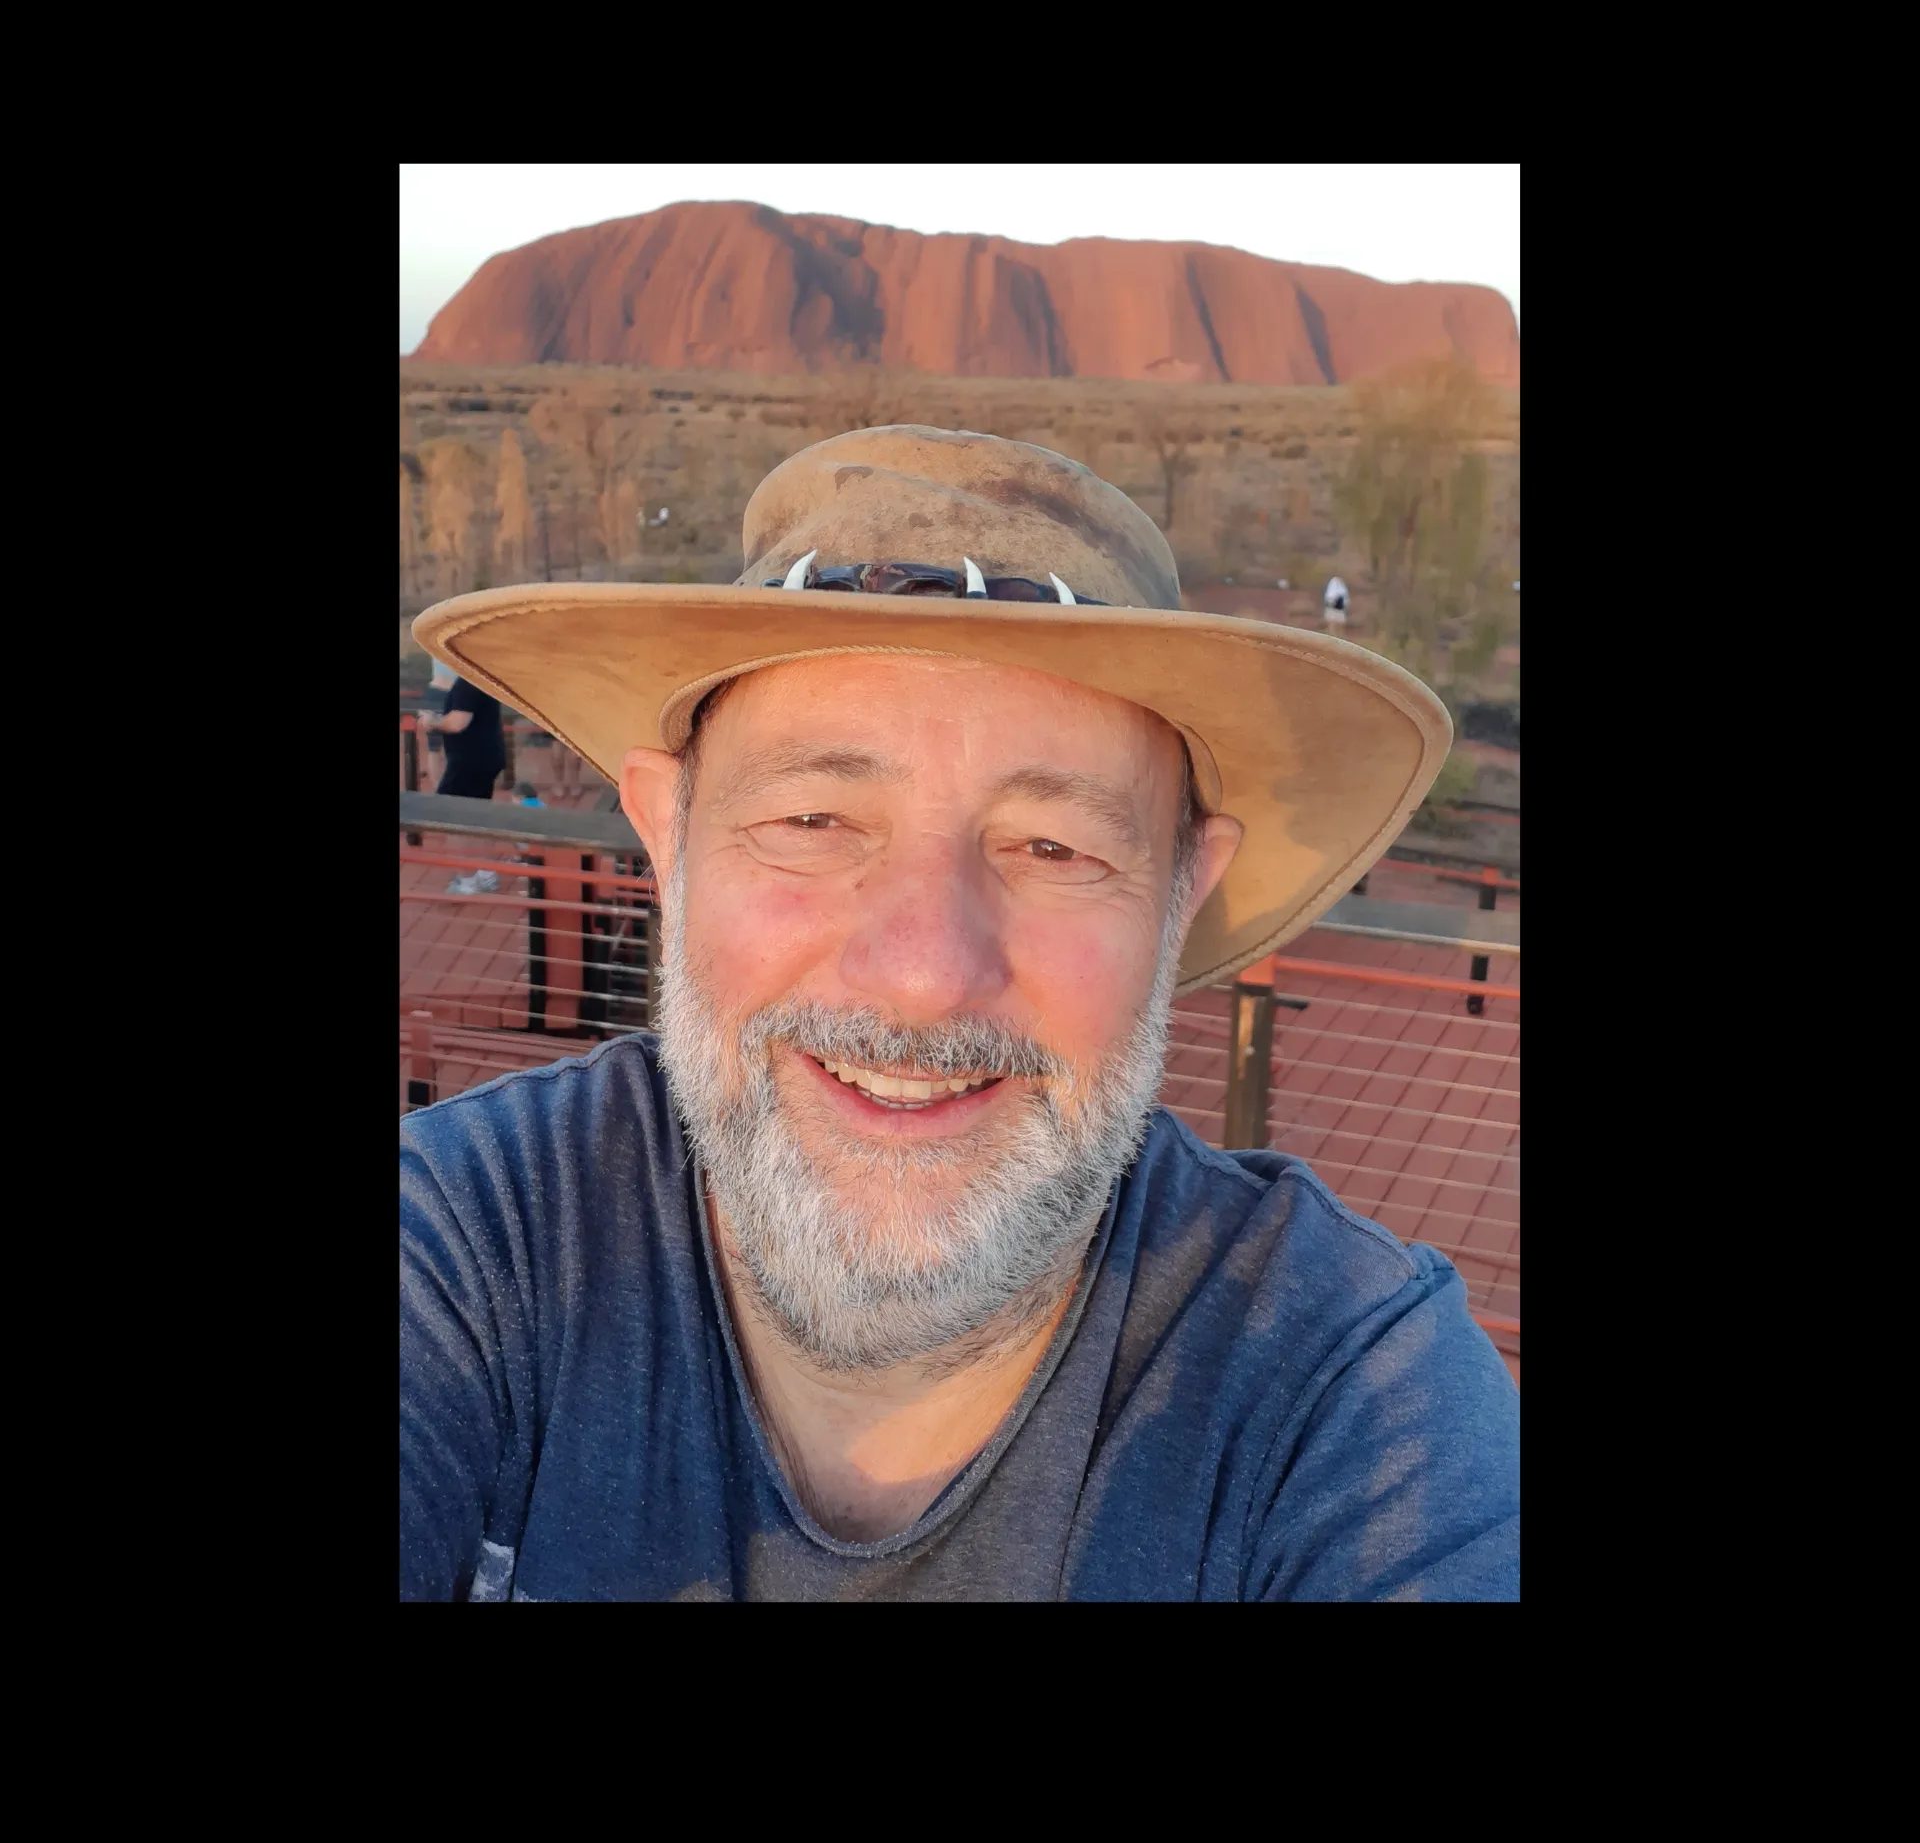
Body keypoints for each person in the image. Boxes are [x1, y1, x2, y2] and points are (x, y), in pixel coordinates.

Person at [403, 426, 1518, 1602]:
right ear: (668, 836)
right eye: (814, 822)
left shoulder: (1350, 1399)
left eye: (1054, 846)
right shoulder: (471, 1256)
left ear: (1183, 894)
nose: (924, 973)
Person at [431, 673, 506, 800]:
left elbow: (457, 723)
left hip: (470, 760)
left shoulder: (468, 682)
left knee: (446, 808)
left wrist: (431, 721)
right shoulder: (481, 679)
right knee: (475, 808)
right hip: (483, 756)